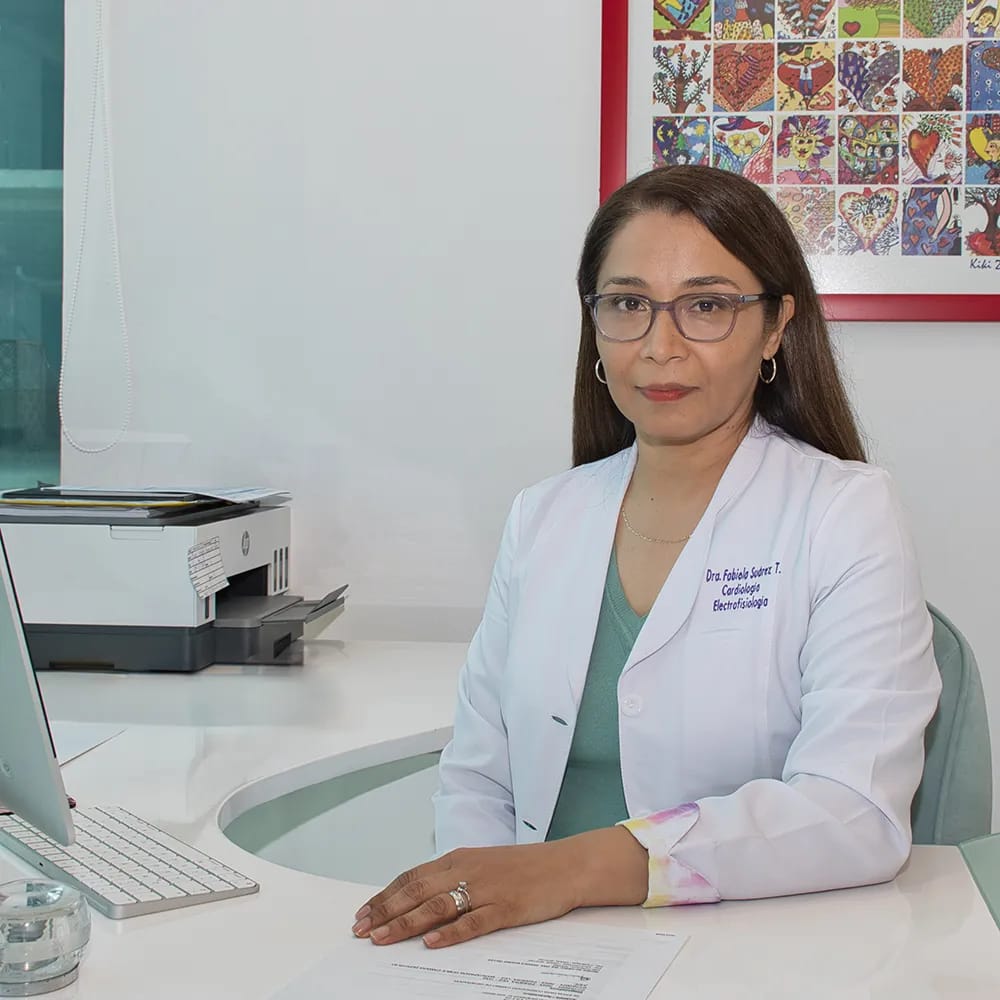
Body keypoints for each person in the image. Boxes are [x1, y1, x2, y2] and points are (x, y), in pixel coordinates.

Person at [350, 165, 942, 949]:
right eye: (629, 305)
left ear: (774, 328)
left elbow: (854, 812)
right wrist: (480, 907)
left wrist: (568, 871)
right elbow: (478, 774)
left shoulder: (843, 512)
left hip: (743, 951)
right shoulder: (543, 517)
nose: (661, 347)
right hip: (529, 950)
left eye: (707, 306)